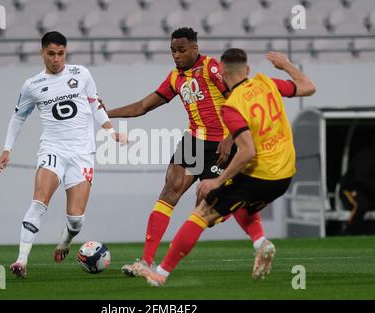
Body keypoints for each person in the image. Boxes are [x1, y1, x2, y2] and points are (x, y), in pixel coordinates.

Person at [138, 49, 316, 286]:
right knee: (243, 204)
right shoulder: (268, 84)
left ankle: (160, 273)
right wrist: (285, 64)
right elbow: (308, 87)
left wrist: (217, 181)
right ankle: (260, 242)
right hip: (285, 174)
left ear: (221, 72)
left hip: (258, 174)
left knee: (201, 213)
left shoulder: (231, 107)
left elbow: (247, 152)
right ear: (249, 70)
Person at [106, 27, 268, 277]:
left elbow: (239, 100)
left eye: (181, 50)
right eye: (173, 51)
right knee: (170, 189)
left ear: (195, 48)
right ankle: (146, 261)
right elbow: (141, 106)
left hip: (221, 145)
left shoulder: (211, 68)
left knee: (210, 207)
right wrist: (104, 114)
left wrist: (230, 136)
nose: (176, 55)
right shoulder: (175, 78)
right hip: (193, 141)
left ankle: (258, 240)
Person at [0, 31, 127, 278]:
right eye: (51, 54)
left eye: (61, 53)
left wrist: (111, 131)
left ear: (66, 52)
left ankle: (65, 241)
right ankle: (21, 260)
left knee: (76, 220)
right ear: (42, 53)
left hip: (82, 153)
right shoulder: (32, 85)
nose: (57, 59)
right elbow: (18, 117)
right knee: (39, 202)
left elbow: (95, 104)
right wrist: (7, 149)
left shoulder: (81, 74)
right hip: (52, 149)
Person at [339, 136, 375, 235]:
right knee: (360, 205)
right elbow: (360, 179)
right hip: (350, 190)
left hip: (366, 192)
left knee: (365, 203)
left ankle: (367, 232)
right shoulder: (365, 156)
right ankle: (348, 230)